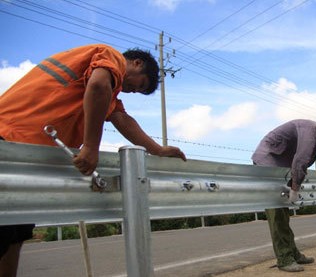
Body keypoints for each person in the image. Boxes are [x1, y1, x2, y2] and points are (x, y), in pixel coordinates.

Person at [0, 44, 186, 276]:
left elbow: (122, 119)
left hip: (26, 156)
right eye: (140, 85)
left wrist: (157, 150)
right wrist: (90, 146)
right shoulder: (110, 57)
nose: (133, 91)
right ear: (137, 63)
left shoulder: (112, 92)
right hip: (7, 140)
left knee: (14, 233)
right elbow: (98, 86)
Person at [252, 119, 316, 272]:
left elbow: (303, 164)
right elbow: (300, 161)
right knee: (277, 214)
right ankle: (284, 259)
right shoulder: (310, 131)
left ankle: (293, 253)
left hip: (278, 167)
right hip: (266, 163)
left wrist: (294, 185)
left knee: (283, 214)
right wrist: (294, 189)